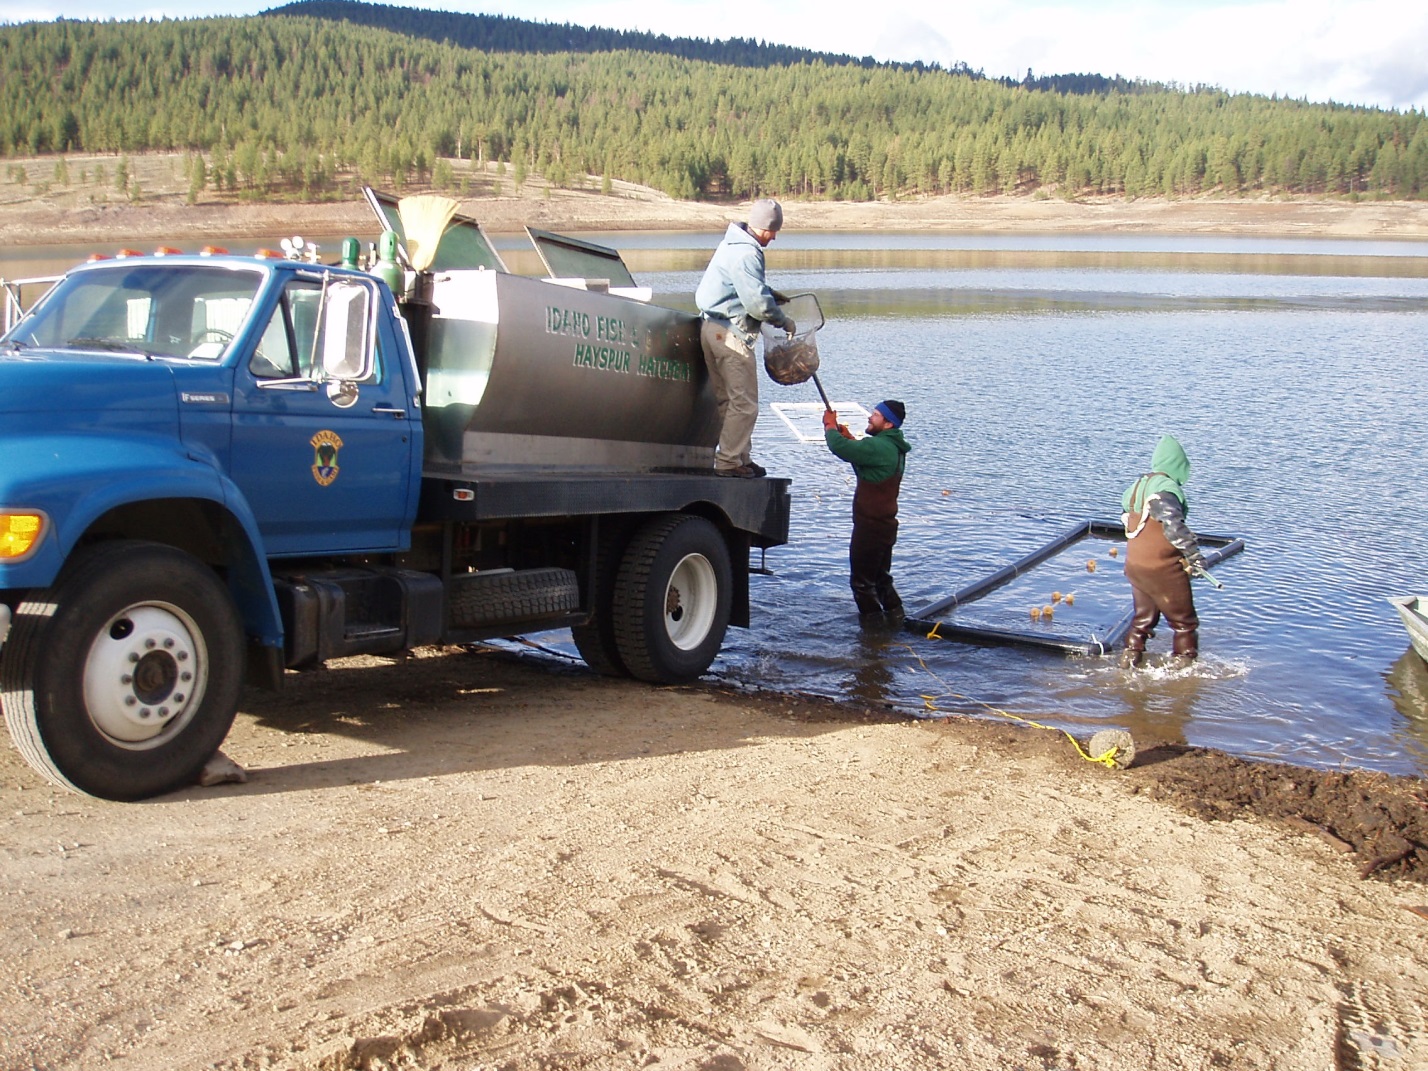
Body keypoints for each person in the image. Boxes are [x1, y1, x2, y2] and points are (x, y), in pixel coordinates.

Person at [695, 199, 795, 478]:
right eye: (772, 231)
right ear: (762, 227)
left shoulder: (732, 244)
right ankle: (728, 462)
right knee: (745, 404)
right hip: (730, 334)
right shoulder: (747, 254)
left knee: (729, 401)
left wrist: (769, 293)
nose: (774, 237)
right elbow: (757, 305)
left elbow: (742, 286)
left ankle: (741, 458)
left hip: (711, 329)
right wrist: (782, 319)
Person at [1120, 434, 1208, 669]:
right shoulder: (1165, 488)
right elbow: (1173, 525)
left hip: (1136, 565)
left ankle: (1129, 662)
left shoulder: (1136, 486)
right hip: (1162, 567)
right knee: (1184, 623)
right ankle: (1184, 670)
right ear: (1177, 465)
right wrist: (1194, 556)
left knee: (1142, 620)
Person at [822, 400, 911, 619]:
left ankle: (873, 632)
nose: (870, 418)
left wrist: (830, 427)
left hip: (870, 528)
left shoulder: (881, 446)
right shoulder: (892, 447)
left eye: (876, 415)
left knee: (861, 585)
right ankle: (896, 620)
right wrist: (849, 438)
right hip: (885, 527)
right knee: (881, 579)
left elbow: (839, 449)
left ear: (889, 424)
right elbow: (863, 463)